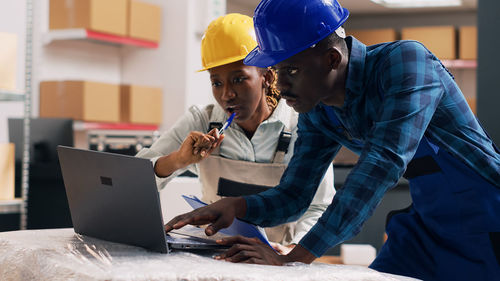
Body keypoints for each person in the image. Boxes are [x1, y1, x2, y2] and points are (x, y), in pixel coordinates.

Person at [164, 0, 500, 280]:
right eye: (277, 71)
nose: (279, 84)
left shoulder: (405, 64)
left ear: (332, 59)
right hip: (428, 223)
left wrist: (292, 259)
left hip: (489, 217)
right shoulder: (319, 108)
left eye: (290, 70)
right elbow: (295, 195)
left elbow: (381, 165)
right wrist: (237, 207)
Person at [136, 13, 335, 253]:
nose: (227, 94)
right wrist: (178, 160)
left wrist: (293, 250)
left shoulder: (301, 126)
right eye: (216, 83)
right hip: (216, 255)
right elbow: (136, 178)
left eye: (239, 79)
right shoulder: (201, 120)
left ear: (267, 77)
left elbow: (319, 207)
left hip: (277, 261)